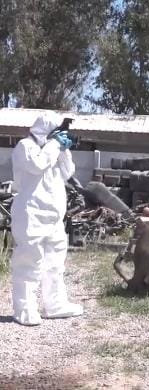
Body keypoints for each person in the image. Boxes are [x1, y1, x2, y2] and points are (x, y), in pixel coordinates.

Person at [11, 111, 83, 326]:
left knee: (54, 264)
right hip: (30, 215)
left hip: (53, 217)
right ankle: (24, 310)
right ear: (47, 130)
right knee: (29, 262)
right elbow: (37, 165)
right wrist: (54, 144)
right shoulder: (25, 146)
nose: (60, 136)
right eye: (58, 132)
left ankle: (55, 305)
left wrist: (64, 150)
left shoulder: (52, 149)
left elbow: (67, 172)